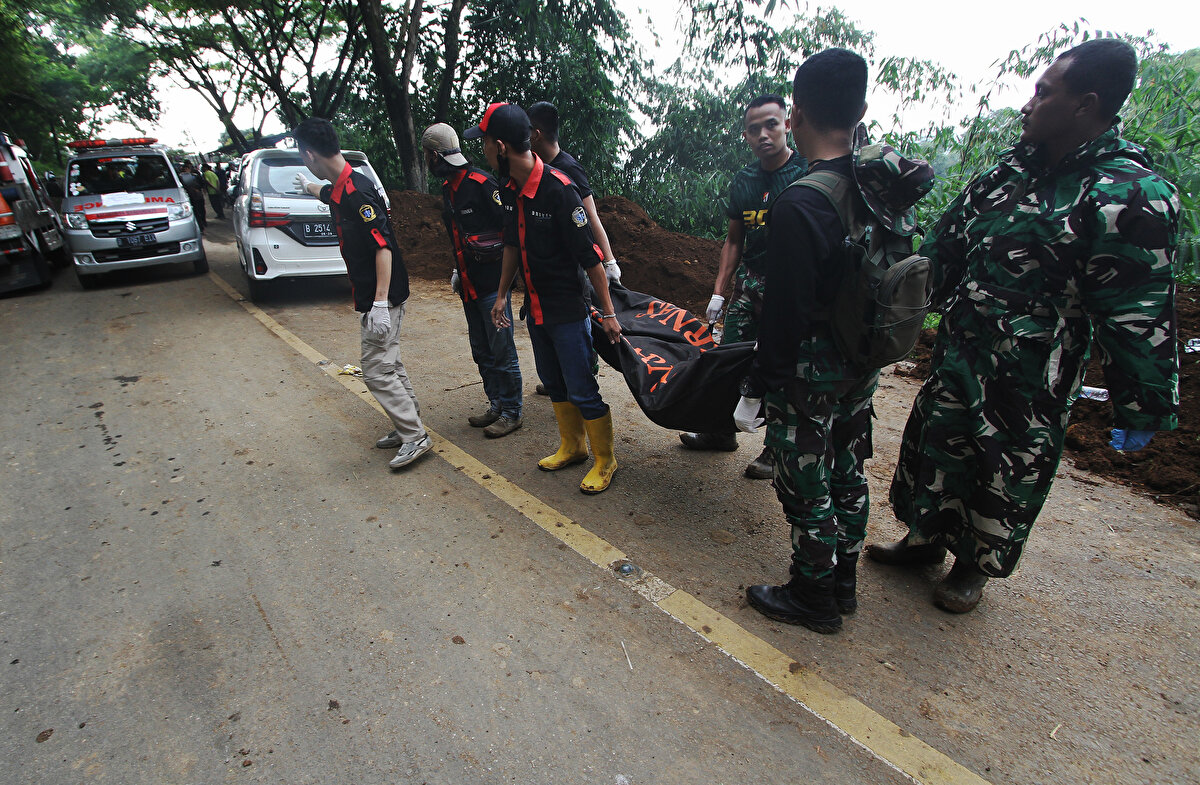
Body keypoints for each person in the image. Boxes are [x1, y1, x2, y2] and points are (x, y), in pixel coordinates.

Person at [870, 38, 1181, 614]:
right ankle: (924, 538)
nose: (1028, 104)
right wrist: (896, 304)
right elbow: (946, 246)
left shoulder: (1129, 195)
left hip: (1033, 370)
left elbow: (1139, 314)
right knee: (938, 444)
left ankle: (973, 568)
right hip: (963, 346)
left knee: (1004, 464)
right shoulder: (1010, 171)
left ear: (1085, 105)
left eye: (1043, 92)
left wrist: (1143, 407)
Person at [733, 49, 933, 634]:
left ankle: (813, 595)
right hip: (860, 356)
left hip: (809, 368)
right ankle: (842, 581)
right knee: (847, 468)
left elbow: (786, 314)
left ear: (793, 116)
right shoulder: (878, 187)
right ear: (861, 110)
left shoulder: (802, 202)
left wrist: (757, 385)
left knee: (805, 481)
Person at [465, 102, 623, 494]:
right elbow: (512, 244)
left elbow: (591, 259)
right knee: (553, 382)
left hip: (568, 312)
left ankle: (606, 459)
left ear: (500, 146)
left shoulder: (559, 190)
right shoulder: (509, 188)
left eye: (484, 142)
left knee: (582, 386)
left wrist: (608, 313)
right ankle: (573, 446)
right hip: (535, 311)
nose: (482, 149)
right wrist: (501, 294)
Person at [291, 117, 432, 471]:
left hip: (382, 293)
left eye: (302, 158)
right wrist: (309, 187)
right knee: (389, 361)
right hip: (376, 292)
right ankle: (407, 427)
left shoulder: (358, 190)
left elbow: (382, 246)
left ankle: (414, 436)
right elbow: (331, 196)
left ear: (310, 154)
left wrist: (380, 303)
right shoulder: (343, 186)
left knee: (374, 369)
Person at [679, 95, 807, 480]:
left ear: (787, 124)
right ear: (745, 135)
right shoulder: (745, 181)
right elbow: (734, 240)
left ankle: (775, 450)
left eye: (771, 124)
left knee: (781, 364)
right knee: (730, 358)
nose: (763, 134)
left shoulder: (806, 172)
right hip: (750, 284)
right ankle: (721, 432)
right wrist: (719, 292)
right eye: (754, 129)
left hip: (790, 287)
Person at [422, 122, 524, 438]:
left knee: (502, 350)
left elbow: (511, 234)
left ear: (435, 155)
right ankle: (496, 404)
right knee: (482, 350)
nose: (427, 161)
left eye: (427, 155)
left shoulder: (481, 184)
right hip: (469, 285)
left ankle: (512, 412)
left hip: (493, 287)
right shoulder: (448, 189)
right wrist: (457, 271)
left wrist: (506, 289)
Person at [179, 161, 207, 231]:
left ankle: (203, 222)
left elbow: (201, 184)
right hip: (192, 197)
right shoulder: (182, 177)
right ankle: (201, 226)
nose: (186, 170)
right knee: (197, 211)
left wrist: (201, 189)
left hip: (196, 196)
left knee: (200, 210)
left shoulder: (195, 175)